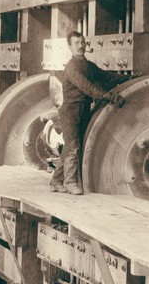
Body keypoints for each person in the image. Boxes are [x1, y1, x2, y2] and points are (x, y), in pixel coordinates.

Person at [50, 30, 131, 195]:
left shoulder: (87, 66)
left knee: (69, 148)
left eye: (82, 42)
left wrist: (129, 78)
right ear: (70, 47)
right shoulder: (72, 67)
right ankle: (70, 182)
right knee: (73, 148)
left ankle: (56, 181)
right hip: (70, 111)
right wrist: (110, 97)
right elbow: (87, 87)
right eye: (76, 44)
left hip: (83, 109)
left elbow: (106, 77)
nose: (80, 46)